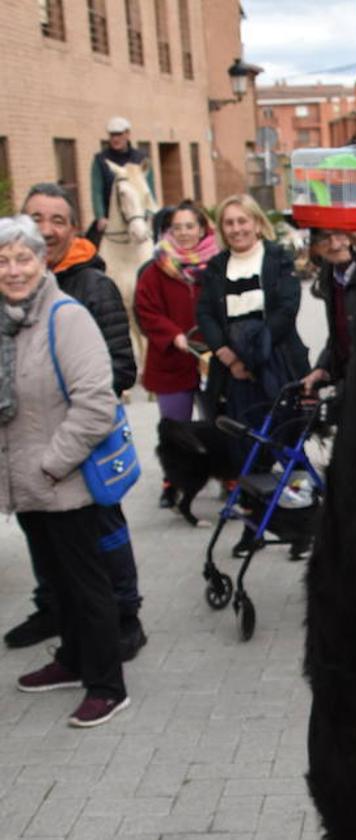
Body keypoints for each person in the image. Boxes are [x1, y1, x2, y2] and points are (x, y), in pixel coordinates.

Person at [0, 216, 130, 727]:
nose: (13, 269)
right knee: (56, 582)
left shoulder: (64, 317)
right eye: (3, 260)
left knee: (87, 586)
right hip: (25, 485)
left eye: (22, 258)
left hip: (64, 482)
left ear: (43, 261)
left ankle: (107, 684)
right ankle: (73, 661)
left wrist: (51, 464)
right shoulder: (7, 322)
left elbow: (97, 404)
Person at [9, 184, 146, 661]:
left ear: (74, 227)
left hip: (83, 448)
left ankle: (126, 616)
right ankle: (53, 609)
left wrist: (66, 430)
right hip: (28, 449)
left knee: (104, 535)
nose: (45, 230)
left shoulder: (91, 285)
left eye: (58, 220)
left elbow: (121, 370)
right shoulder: (14, 283)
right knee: (44, 541)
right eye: (35, 218)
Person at [195, 194, 310, 425]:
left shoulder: (279, 259)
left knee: (284, 437)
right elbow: (205, 313)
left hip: (278, 360)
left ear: (257, 223)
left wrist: (251, 356)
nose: (236, 229)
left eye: (242, 221)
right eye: (229, 223)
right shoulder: (215, 267)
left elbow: (286, 309)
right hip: (231, 368)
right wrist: (225, 354)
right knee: (241, 443)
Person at [134, 200, 219, 505]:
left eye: (189, 226)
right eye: (177, 227)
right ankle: (173, 482)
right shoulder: (155, 269)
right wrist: (173, 335)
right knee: (175, 429)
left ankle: (225, 476)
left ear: (201, 229)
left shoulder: (218, 264)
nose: (183, 233)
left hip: (212, 358)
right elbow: (146, 310)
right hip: (171, 359)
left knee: (216, 423)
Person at [300, 229, 356, 394]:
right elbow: (339, 334)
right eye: (324, 238)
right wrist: (323, 367)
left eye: (341, 233)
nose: (334, 245)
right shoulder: (329, 276)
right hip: (350, 382)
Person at [89, 116, 154, 237]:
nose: (115, 139)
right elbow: (96, 191)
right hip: (111, 218)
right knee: (90, 245)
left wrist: (150, 213)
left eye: (119, 134)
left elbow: (149, 189)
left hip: (139, 216)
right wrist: (100, 216)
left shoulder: (142, 158)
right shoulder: (100, 160)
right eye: (112, 135)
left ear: (128, 134)